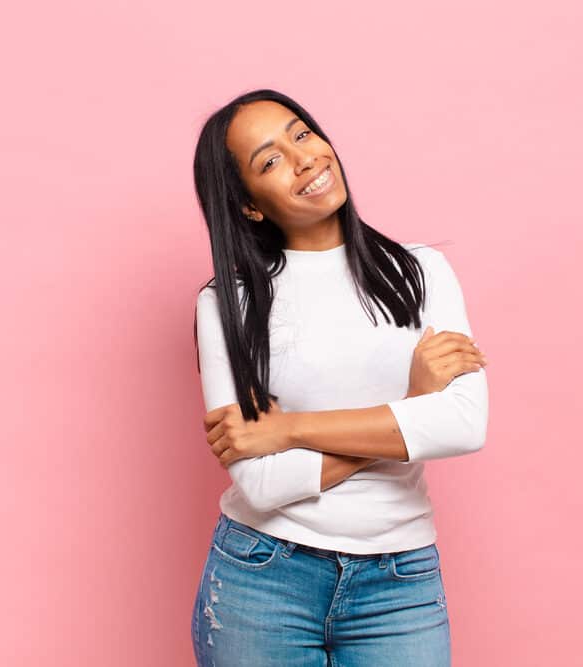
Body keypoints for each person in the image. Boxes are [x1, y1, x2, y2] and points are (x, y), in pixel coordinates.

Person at [190, 88, 489, 666]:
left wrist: (289, 430)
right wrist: (413, 405)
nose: (305, 159)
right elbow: (260, 484)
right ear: (249, 205)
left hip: (399, 583)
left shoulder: (420, 271)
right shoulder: (230, 302)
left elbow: (463, 426)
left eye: (302, 133)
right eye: (270, 160)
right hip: (263, 577)